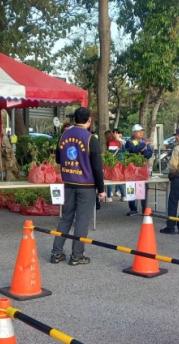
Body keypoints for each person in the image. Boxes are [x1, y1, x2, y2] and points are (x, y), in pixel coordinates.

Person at [50, 107, 105, 266]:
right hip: (86, 185)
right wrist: (101, 189)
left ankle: (56, 253)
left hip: (68, 183)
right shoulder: (90, 138)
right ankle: (77, 255)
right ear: (89, 120)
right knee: (82, 220)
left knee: (66, 217)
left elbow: (59, 159)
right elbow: (97, 166)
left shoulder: (63, 135)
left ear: (74, 119)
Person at [124, 124, 153, 216]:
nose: (141, 133)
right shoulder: (129, 141)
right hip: (131, 168)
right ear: (134, 132)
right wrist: (143, 145)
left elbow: (149, 153)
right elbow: (133, 150)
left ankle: (144, 209)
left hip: (142, 168)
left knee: (142, 188)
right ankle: (133, 209)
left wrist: (144, 152)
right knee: (131, 188)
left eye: (142, 131)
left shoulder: (145, 141)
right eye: (139, 131)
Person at [103, 130, 125, 202]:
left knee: (110, 180)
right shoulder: (118, 142)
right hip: (119, 163)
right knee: (119, 180)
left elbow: (110, 155)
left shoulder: (111, 143)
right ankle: (123, 196)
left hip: (113, 163)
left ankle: (109, 197)